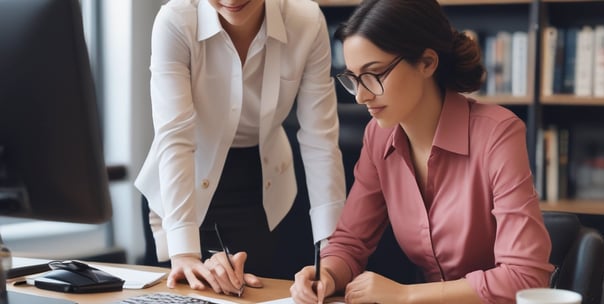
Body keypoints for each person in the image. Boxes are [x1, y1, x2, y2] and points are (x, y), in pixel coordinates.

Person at [290, 0, 554, 303]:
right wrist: (326, 274)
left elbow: (525, 277)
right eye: (353, 78)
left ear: (427, 62)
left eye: (374, 74)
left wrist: (406, 295)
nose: (362, 96)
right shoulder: (378, 137)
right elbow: (350, 243)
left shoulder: (497, 134)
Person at [134, 0, 346, 296]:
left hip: (261, 185)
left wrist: (334, 250)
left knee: (256, 293)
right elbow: (175, 137)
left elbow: (320, 140)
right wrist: (184, 252)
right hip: (182, 186)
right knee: (182, 296)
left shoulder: (306, 22)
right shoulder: (177, 20)